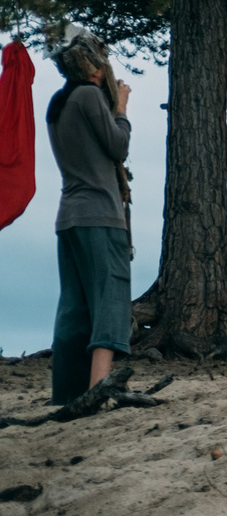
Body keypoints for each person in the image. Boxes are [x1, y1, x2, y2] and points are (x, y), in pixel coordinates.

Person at [46, 28, 133, 403]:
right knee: (110, 299)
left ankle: (67, 394)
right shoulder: (88, 96)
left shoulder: (58, 102)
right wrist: (121, 109)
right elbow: (118, 146)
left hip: (69, 216)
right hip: (100, 215)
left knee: (74, 307)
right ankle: (99, 388)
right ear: (92, 64)